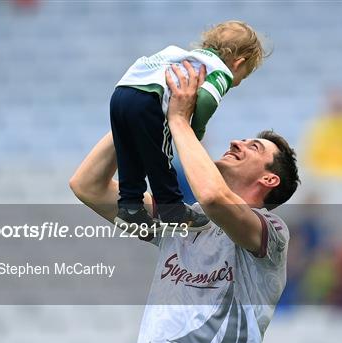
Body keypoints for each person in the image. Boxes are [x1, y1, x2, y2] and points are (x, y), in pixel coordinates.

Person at [70, 61, 300, 343]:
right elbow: (88, 186)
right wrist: (143, 112)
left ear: (269, 179)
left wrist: (178, 120)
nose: (235, 143)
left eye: (253, 147)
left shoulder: (273, 232)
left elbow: (214, 198)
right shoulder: (184, 219)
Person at [111, 20, 268, 231]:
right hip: (150, 101)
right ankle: (172, 210)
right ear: (238, 63)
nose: (238, 82)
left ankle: (130, 208)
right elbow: (206, 99)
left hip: (121, 93)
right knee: (160, 157)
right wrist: (195, 130)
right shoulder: (221, 71)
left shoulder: (182, 55)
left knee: (129, 155)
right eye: (244, 75)